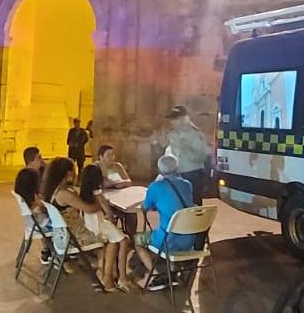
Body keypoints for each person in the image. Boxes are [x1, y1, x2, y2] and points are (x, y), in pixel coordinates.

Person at [41, 157, 135, 293]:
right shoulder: (64, 194)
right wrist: (100, 201)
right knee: (112, 241)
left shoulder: (55, 190)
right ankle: (107, 279)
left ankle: (105, 273)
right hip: (73, 236)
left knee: (110, 236)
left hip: (64, 233)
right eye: (72, 172)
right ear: (66, 174)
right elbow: (89, 208)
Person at [132, 153, 197, 291]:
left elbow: (145, 207)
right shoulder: (187, 185)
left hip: (168, 241)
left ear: (160, 170)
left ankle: (158, 274)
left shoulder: (156, 186)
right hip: (189, 240)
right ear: (177, 168)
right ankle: (172, 269)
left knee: (138, 239)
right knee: (169, 228)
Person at [164, 105, 209, 203]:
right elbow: (170, 152)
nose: (172, 122)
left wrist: (185, 148)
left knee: (193, 205)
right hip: (176, 174)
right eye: (171, 119)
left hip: (193, 173)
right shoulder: (172, 134)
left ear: (184, 119)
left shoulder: (195, 134)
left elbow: (201, 157)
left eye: (175, 119)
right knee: (178, 204)